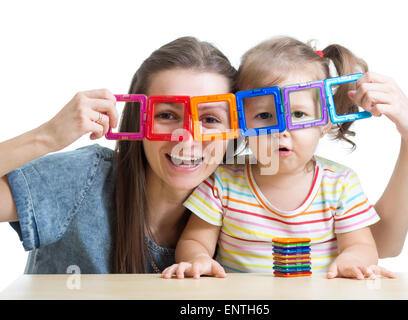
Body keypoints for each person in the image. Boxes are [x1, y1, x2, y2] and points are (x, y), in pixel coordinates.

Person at [161, 36, 408, 280]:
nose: (281, 131)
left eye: (298, 115)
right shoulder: (223, 182)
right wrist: (198, 259)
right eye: (264, 116)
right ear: (241, 122)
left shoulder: (340, 184)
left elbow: (363, 246)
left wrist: (352, 260)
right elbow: (195, 240)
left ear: (324, 122)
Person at [0, 36, 237, 273]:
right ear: (138, 121)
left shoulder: (241, 206)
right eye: (166, 115)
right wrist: (48, 136)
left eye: (210, 119)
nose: (187, 139)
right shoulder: (86, 178)